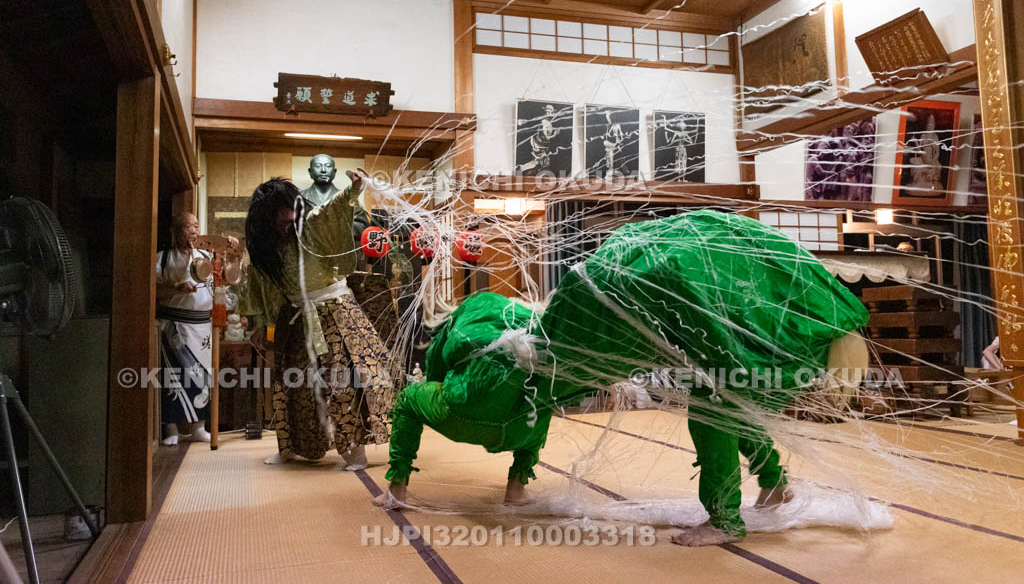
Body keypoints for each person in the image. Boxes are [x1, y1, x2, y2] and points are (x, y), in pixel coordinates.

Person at [379, 210, 869, 546]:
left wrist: (398, 483)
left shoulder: (535, 347)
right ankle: (775, 483)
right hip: (795, 335)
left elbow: (417, 400)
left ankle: (726, 521)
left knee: (714, 404)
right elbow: (539, 396)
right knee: (721, 395)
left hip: (771, 344)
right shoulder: (549, 348)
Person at [240, 171, 400, 469]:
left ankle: (355, 450)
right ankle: (291, 445)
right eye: (280, 213)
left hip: (337, 312)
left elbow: (331, 211)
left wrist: (352, 191)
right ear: (267, 219)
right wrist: (260, 323)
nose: (289, 216)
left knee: (344, 382)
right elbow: (259, 289)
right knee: (294, 384)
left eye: (290, 208)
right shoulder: (266, 252)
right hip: (298, 319)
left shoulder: (311, 225)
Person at [155, 213, 237, 445]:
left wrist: (230, 250)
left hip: (203, 326)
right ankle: (170, 429)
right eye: (186, 226)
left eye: (195, 226)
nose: (192, 229)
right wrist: (175, 288)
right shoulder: (163, 258)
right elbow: (152, 290)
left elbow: (224, 282)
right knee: (174, 379)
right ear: (175, 231)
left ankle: (199, 426)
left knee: (202, 377)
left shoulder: (207, 258)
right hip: (175, 327)